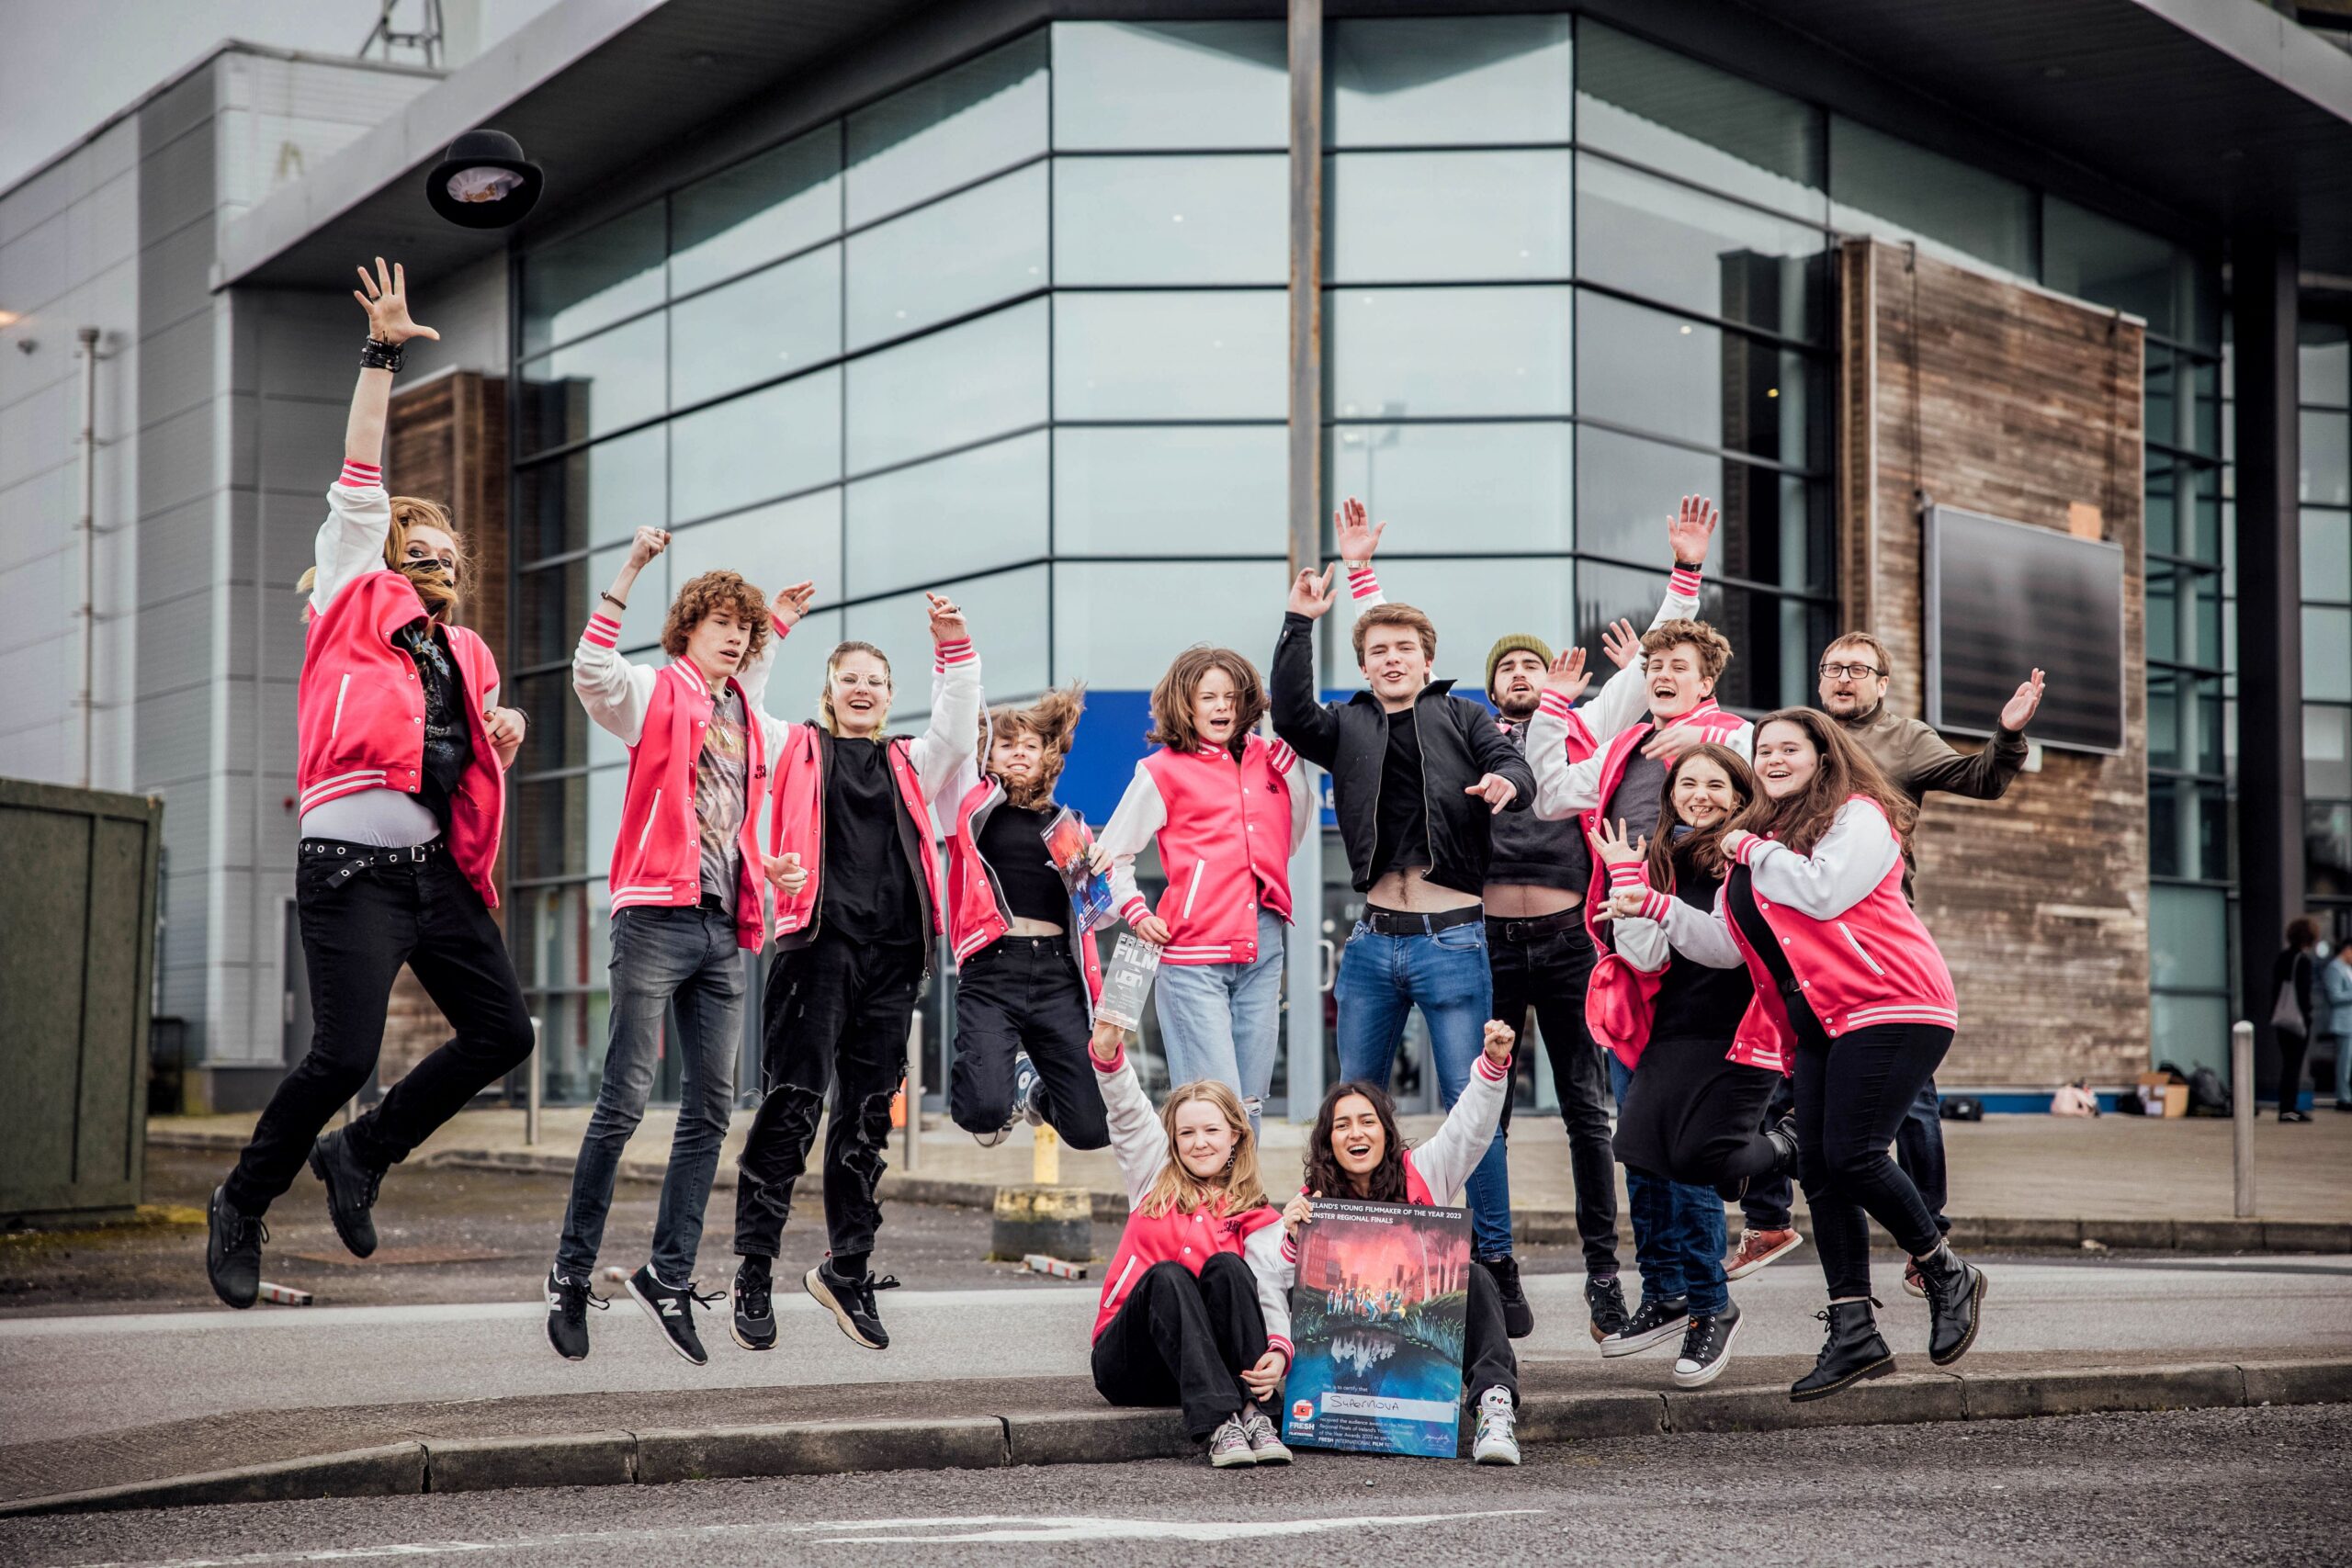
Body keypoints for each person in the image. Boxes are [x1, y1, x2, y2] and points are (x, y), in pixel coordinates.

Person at [207, 260, 534, 1311]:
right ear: (392, 553)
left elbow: (464, 758)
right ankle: (243, 1202)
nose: (440, 566)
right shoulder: (352, 593)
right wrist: (382, 351)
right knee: (343, 1051)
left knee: (504, 1034)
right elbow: (359, 469)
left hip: (434, 870)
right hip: (349, 863)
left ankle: (363, 1157)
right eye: (422, 552)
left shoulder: (465, 654)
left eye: (450, 557)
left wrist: (501, 735)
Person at [1341, 496, 1721, 1342]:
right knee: (1486, 1112)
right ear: (1487, 682)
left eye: (1534, 664)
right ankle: (1483, 1270)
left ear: (1555, 676)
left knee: (1590, 1111)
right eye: (1507, 665)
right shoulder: (1461, 730)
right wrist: (1361, 572)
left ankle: (1603, 1278)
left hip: (1564, 946)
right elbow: (1392, 656)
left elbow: (1653, 670)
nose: (1521, 673)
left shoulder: (1580, 732)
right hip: (1482, 944)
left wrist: (1684, 576)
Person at [1605, 708, 1985, 1402]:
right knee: (1825, 1176)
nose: (1774, 757)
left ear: (1823, 753)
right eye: (1765, 748)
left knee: (1854, 1156)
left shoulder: (1858, 816)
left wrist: (1748, 849)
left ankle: (1943, 1266)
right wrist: (1652, 906)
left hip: (1893, 1000)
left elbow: (1823, 889)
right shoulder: (1765, 838)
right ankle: (1854, 1332)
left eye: (1789, 747)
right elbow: (1725, 944)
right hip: (1822, 1019)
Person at [544, 525, 813, 1364]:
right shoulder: (653, 691)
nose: (736, 636)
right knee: (624, 1100)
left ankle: (667, 1273)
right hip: (654, 916)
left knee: (709, 1110)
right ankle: (570, 1271)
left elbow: (738, 808)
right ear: (688, 627)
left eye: (746, 627)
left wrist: (769, 865)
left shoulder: (745, 715)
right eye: (722, 622)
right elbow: (589, 672)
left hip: (725, 923)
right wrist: (629, 568)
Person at [1269, 501, 1537, 1333]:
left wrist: (1507, 785)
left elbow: (1512, 765)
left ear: (1427, 661)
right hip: (1371, 944)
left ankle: (1492, 1260)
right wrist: (1296, 624)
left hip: (1454, 940)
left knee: (1473, 1107)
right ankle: (1348, 1247)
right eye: (1377, 650)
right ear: (1366, 662)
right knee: (1355, 1108)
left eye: (1404, 650)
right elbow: (1285, 711)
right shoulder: (1343, 724)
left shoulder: (1462, 715)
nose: (1391, 659)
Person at [1729, 632, 2046, 1291]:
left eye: (1858, 669)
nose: (1843, 678)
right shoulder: (1795, 746)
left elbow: (1980, 778)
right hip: (1805, 945)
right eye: (1832, 668)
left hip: (1873, 948)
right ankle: (1794, 1246)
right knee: (1802, 1107)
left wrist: (2008, 735)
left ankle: (1929, 1239)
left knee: (1907, 1107)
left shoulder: (1901, 744)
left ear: (1882, 682)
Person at [729, 595, 981, 1354]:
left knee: (866, 1122)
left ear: (890, 694)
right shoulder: (795, 746)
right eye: (850, 677)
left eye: (876, 678)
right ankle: (753, 1268)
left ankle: (848, 1268)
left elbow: (957, 725)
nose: (863, 687)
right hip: (817, 948)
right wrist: (770, 632)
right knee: (791, 1110)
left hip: (894, 957)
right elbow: (747, 703)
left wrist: (954, 645)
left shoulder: (913, 761)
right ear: (830, 690)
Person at [1584, 747, 1798, 1390]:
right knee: (1643, 1154)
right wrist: (1628, 885)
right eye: (1687, 783)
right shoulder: (1659, 859)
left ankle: (1712, 1306)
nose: (1698, 794)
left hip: (1736, 1027)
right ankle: (1668, 1293)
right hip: (1672, 1024)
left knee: (1693, 1162)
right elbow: (1647, 961)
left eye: (1714, 783)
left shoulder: (1750, 856)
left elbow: (1728, 949)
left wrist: (1649, 903)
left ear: (1739, 794)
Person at [1276, 1019, 1527, 1464]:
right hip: (1343, 1355)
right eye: (1342, 1126)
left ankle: (1494, 1406)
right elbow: (1272, 1288)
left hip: (1413, 1326)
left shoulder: (1423, 1171)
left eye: (1367, 1121)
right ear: (1327, 1142)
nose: (1356, 1133)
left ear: (1386, 1131)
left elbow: (1468, 1131)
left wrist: (1492, 1065)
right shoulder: (1311, 1202)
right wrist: (1290, 1238)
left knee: (1476, 1277)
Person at [1091, 648, 1311, 1121]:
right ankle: (1210, 1198)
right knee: (1213, 1106)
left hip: (1264, 947)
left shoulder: (1270, 760)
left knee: (1249, 1103)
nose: (1222, 707)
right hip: (1192, 956)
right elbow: (1110, 855)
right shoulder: (1161, 770)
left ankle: (1243, 1198)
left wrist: (1290, 769)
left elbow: (1288, 841)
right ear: (1184, 704)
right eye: (1208, 697)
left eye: (1231, 697)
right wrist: (1136, 911)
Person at [1085, 1020, 1294, 1470]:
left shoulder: (1257, 1213)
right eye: (1187, 1133)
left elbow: (1270, 1294)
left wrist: (1278, 1351)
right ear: (1173, 1141)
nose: (1199, 1143)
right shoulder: (1151, 1174)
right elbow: (1125, 1109)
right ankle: (1221, 1425)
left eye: (1212, 1131)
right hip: (1131, 1365)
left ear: (1235, 1135)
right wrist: (1107, 1055)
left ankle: (1255, 1417)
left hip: (1206, 1369)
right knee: (1168, 1275)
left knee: (1230, 1268)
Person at [943, 685, 1112, 1151]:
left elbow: (1100, 914)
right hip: (992, 971)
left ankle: (1031, 1089)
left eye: (1031, 746)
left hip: (1057, 975)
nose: (1020, 753)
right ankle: (1008, 1081)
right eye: (1007, 744)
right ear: (987, 754)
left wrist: (1100, 873)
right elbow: (952, 734)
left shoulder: (1068, 825)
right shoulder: (972, 808)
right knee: (981, 1112)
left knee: (1092, 1129)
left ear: (1047, 757)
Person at [2271, 916, 2323, 1122]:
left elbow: (2276, 990)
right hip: (2297, 1020)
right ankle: (2288, 1108)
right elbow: (2303, 994)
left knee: (2288, 1064)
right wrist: (2307, 1015)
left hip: (2281, 1018)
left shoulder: (2282, 957)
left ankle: (2286, 1106)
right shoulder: (2303, 961)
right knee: (2294, 1064)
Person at [2324, 942, 2352, 1112]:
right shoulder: (2335, 968)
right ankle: (2343, 1098)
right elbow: (2334, 996)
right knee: (2344, 1063)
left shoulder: (2348, 968)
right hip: (2344, 1022)